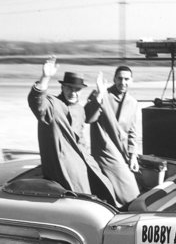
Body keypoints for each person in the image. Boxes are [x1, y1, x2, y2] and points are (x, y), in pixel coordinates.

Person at [28, 56, 118, 205]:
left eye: (77, 89)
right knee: (78, 197)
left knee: (104, 186)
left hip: (82, 159)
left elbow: (88, 117)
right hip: (61, 163)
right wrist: (45, 77)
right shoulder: (52, 104)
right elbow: (37, 103)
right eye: (69, 88)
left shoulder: (79, 108)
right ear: (62, 87)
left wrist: (100, 94)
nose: (73, 92)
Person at [84, 66, 140, 207]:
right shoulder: (102, 94)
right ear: (114, 79)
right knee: (131, 193)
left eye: (126, 79)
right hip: (105, 150)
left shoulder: (132, 103)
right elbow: (88, 118)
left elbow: (132, 132)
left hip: (124, 153)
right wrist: (99, 95)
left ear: (131, 81)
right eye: (119, 78)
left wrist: (133, 155)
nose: (123, 82)